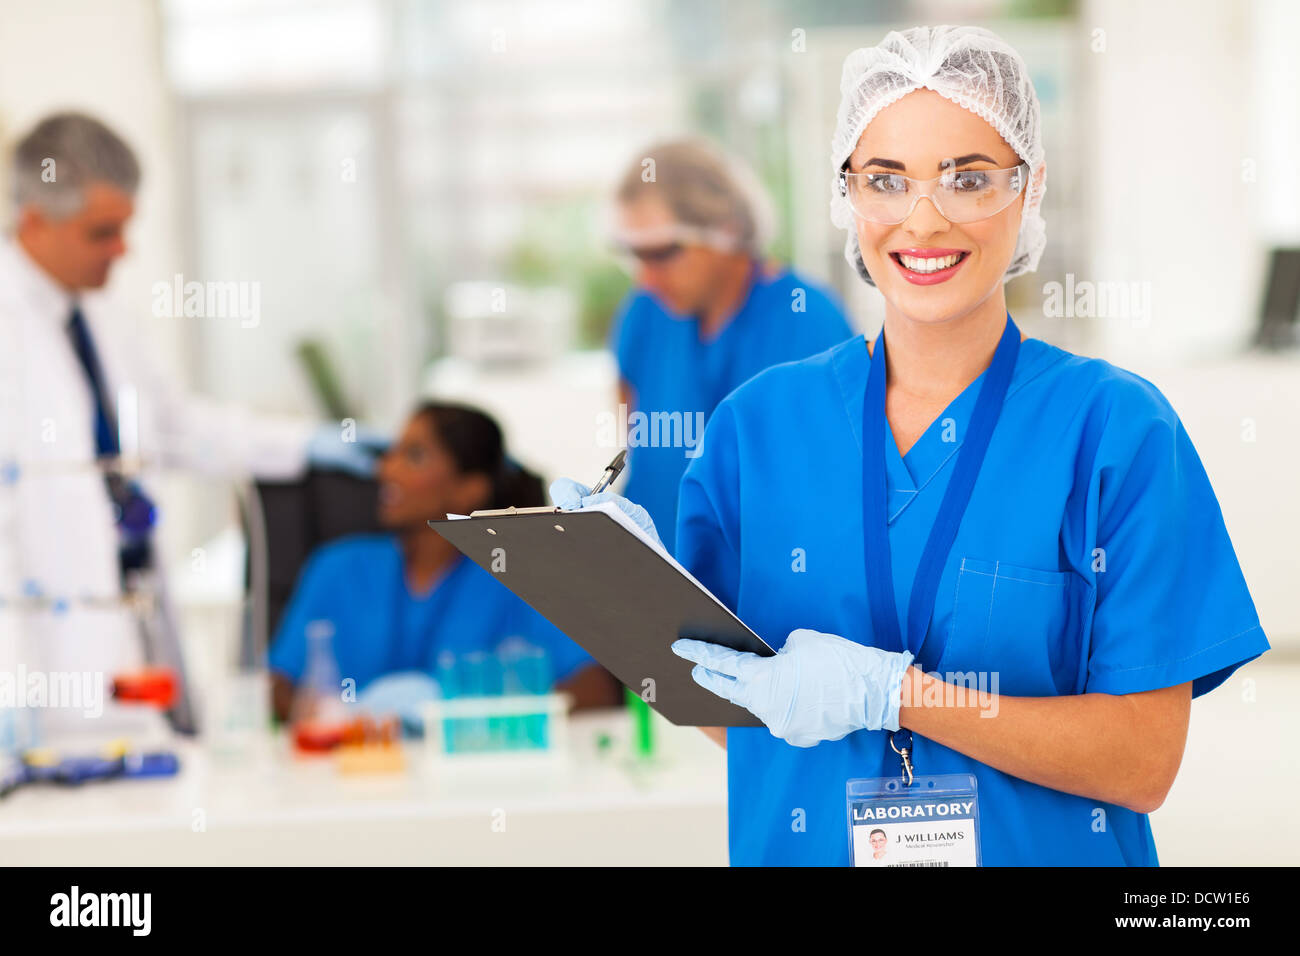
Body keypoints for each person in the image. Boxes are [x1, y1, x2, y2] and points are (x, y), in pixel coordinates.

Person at [553, 25, 1269, 866]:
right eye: (886, 180)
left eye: (968, 179)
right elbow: (732, 711)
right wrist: (626, 604)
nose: (923, 220)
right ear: (847, 196)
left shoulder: (1115, 430)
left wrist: (896, 695)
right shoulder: (756, 428)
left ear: (1029, 188)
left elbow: (1142, 762)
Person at [0, 113, 373, 735]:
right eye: (103, 232)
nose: (124, 249)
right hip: (39, 651)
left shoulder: (102, 319)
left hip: (131, 620)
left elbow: (172, 428)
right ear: (34, 219)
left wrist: (303, 444)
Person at [269, 403, 618, 725]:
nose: (386, 469)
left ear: (470, 489)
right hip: (357, 775)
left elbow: (594, 692)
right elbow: (277, 688)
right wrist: (341, 719)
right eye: (391, 453)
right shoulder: (337, 569)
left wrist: (478, 720)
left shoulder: (516, 575)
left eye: (414, 456)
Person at [607, 138, 853, 553]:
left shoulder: (808, 320)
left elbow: (833, 484)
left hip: (763, 598)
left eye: (663, 253)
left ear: (727, 229)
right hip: (649, 575)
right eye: (635, 255)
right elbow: (636, 439)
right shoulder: (645, 315)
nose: (646, 278)